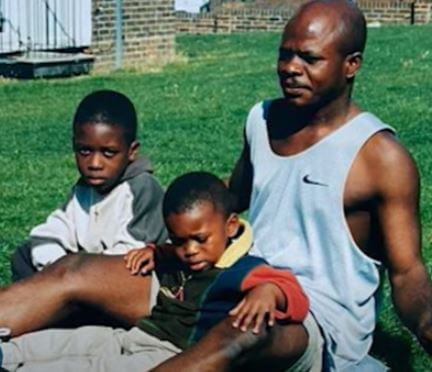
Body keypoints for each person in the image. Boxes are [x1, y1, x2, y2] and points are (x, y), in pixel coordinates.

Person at [0, 0, 431, 370]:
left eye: (309, 58)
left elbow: (408, 271)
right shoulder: (263, 120)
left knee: (240, 333)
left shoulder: (379, 157)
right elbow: (231, 198)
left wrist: (428, 322)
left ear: (351, 64)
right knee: (76, 270)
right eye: (285, 55)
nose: (290, 69)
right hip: (226, 271)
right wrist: (172, 245)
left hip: (310, 317)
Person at [0, 172, 309, 371]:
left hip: (172, 353)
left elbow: (292, 293)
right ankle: (8, 354)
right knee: (75, 342)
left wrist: (269, 293)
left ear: (230, 226)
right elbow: (166, 251)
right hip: (138, 333)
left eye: (200, 240)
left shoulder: (243, 268)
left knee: (95, 366)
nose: (189, 250)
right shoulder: (180, 252)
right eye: (179, 240)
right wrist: (153, 252)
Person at [11, 89, 167, 281]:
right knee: (25, 255)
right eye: (84, 151)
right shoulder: (84, 187)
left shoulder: (142, 189)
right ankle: (51, 299)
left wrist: (73, 271)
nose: (94, 164)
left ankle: (59, 303)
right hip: (83, 270)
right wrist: (57, 268)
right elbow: (56, 228)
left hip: (128, 277)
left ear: (131, 151)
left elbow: (129, 254)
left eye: (108, 153)